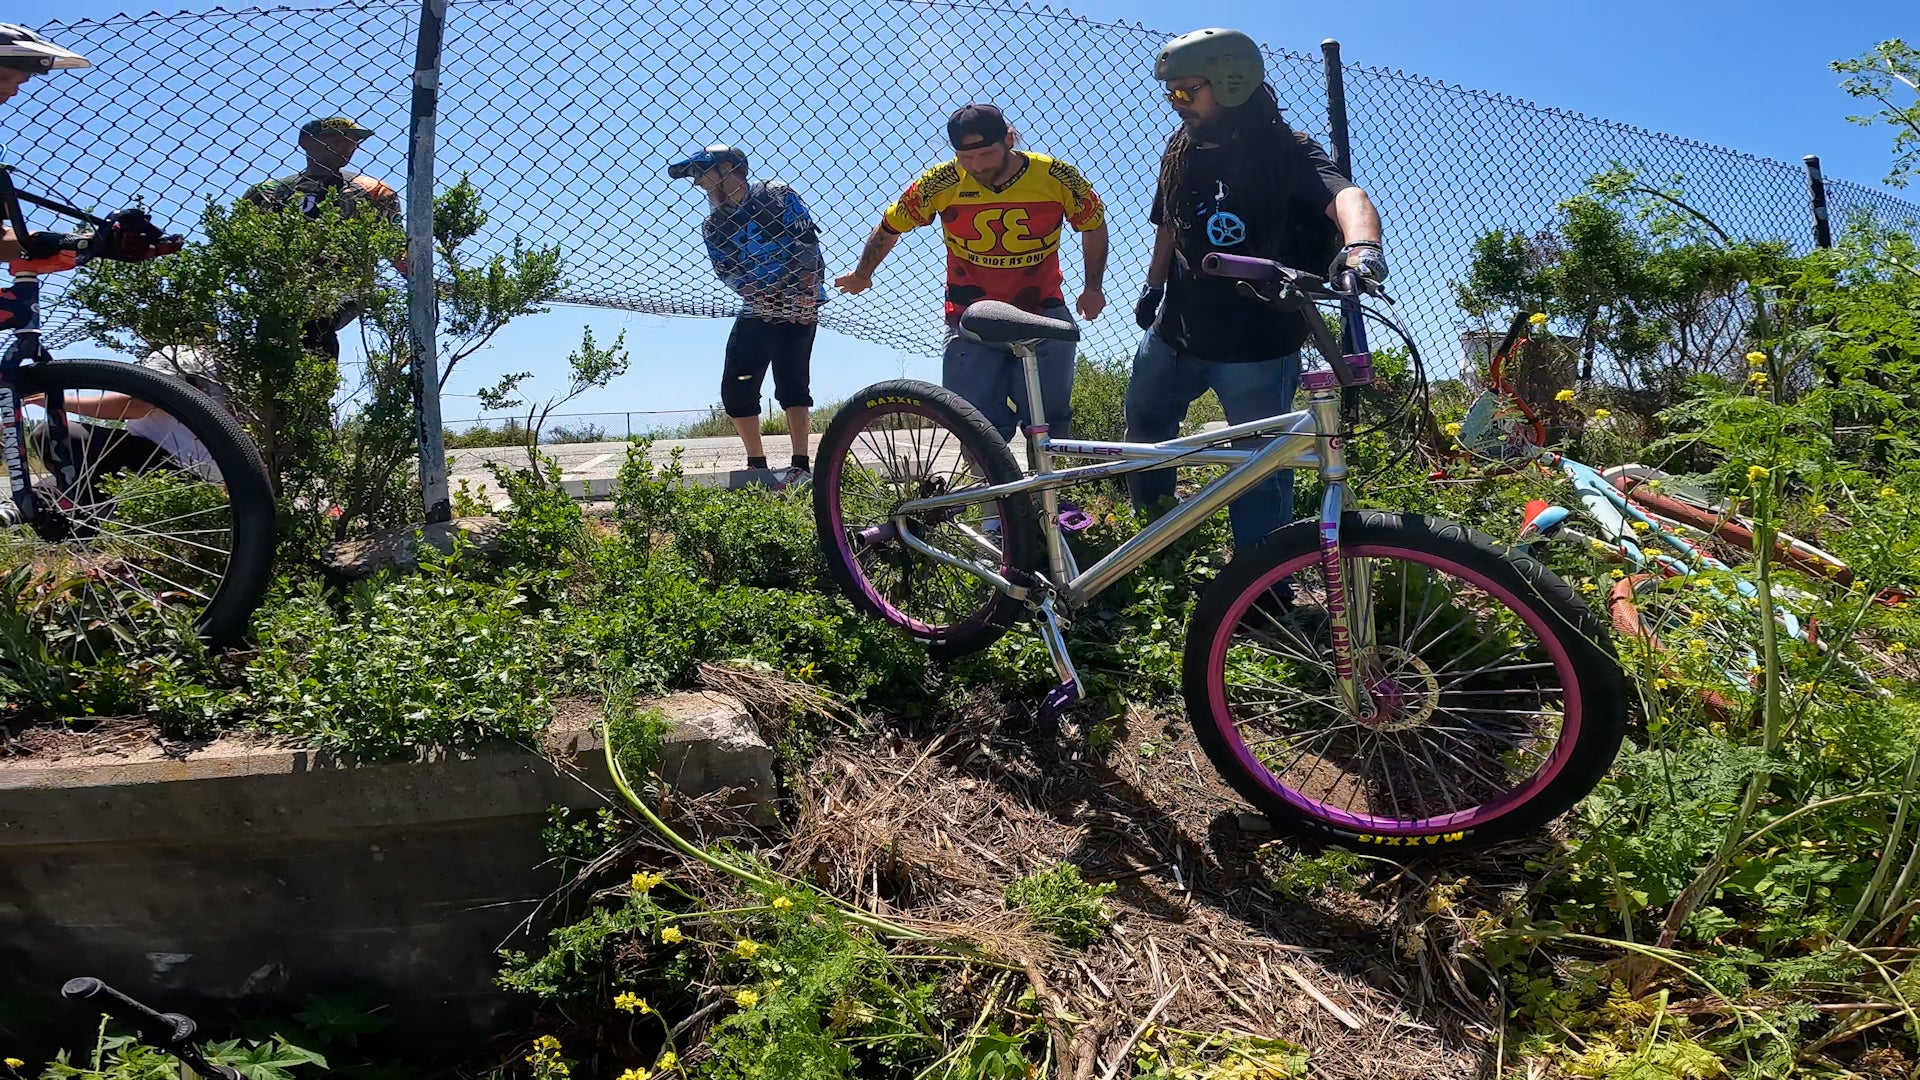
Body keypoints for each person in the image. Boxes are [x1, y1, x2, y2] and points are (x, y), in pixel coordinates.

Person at [1126, 27, 1386, 556]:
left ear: (1231, 85)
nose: (1175, 105)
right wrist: (1153, 289)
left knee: (1260, 465)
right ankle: (1154, 542)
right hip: (1176, 330)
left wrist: (1362, 249)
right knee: (1146, 431)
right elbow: (1169, 227)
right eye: (1169, 92)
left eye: (1184, 92)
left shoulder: (1289, 151)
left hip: (1259, 344)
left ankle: (1263, 583)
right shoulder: (1183, 149)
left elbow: (1348, 197)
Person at [837, 103, 1107, 443]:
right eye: (967, 158)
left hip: (1041, 310)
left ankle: (1048, 493)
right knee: (974, 426)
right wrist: (863, 273)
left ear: (1009, 139)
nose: (977, 166)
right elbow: (891, 225)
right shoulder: (941, 181)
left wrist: (1092, 287)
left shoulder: (1055, 177)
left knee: (1049, 421)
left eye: (987, 153)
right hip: (970, 316)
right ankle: (992, 496)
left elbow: (1093, 223)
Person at [667, 142, 825, 485]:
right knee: (736, 384)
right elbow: (728, 271)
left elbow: (807, 245)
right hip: (757, 306)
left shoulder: (776, 195)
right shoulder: (714, 225)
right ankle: (757, 464)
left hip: (800, 301)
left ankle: (801, 464)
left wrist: (802, 296)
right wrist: (760, 296)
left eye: (701, 174)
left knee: (792, 381)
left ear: (728, 170)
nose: (697, 183)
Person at [242, 115, 401, 362]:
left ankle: (313, 388)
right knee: (273, 334)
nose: (347, 146)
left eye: (352, 141)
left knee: (316, 323)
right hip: (286, 287)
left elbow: (394, 245)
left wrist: (419, 281)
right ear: (307, 142)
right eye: (335, 140)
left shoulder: (373, 191)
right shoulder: (268, 192)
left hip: (344, 287)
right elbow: (244, 246)